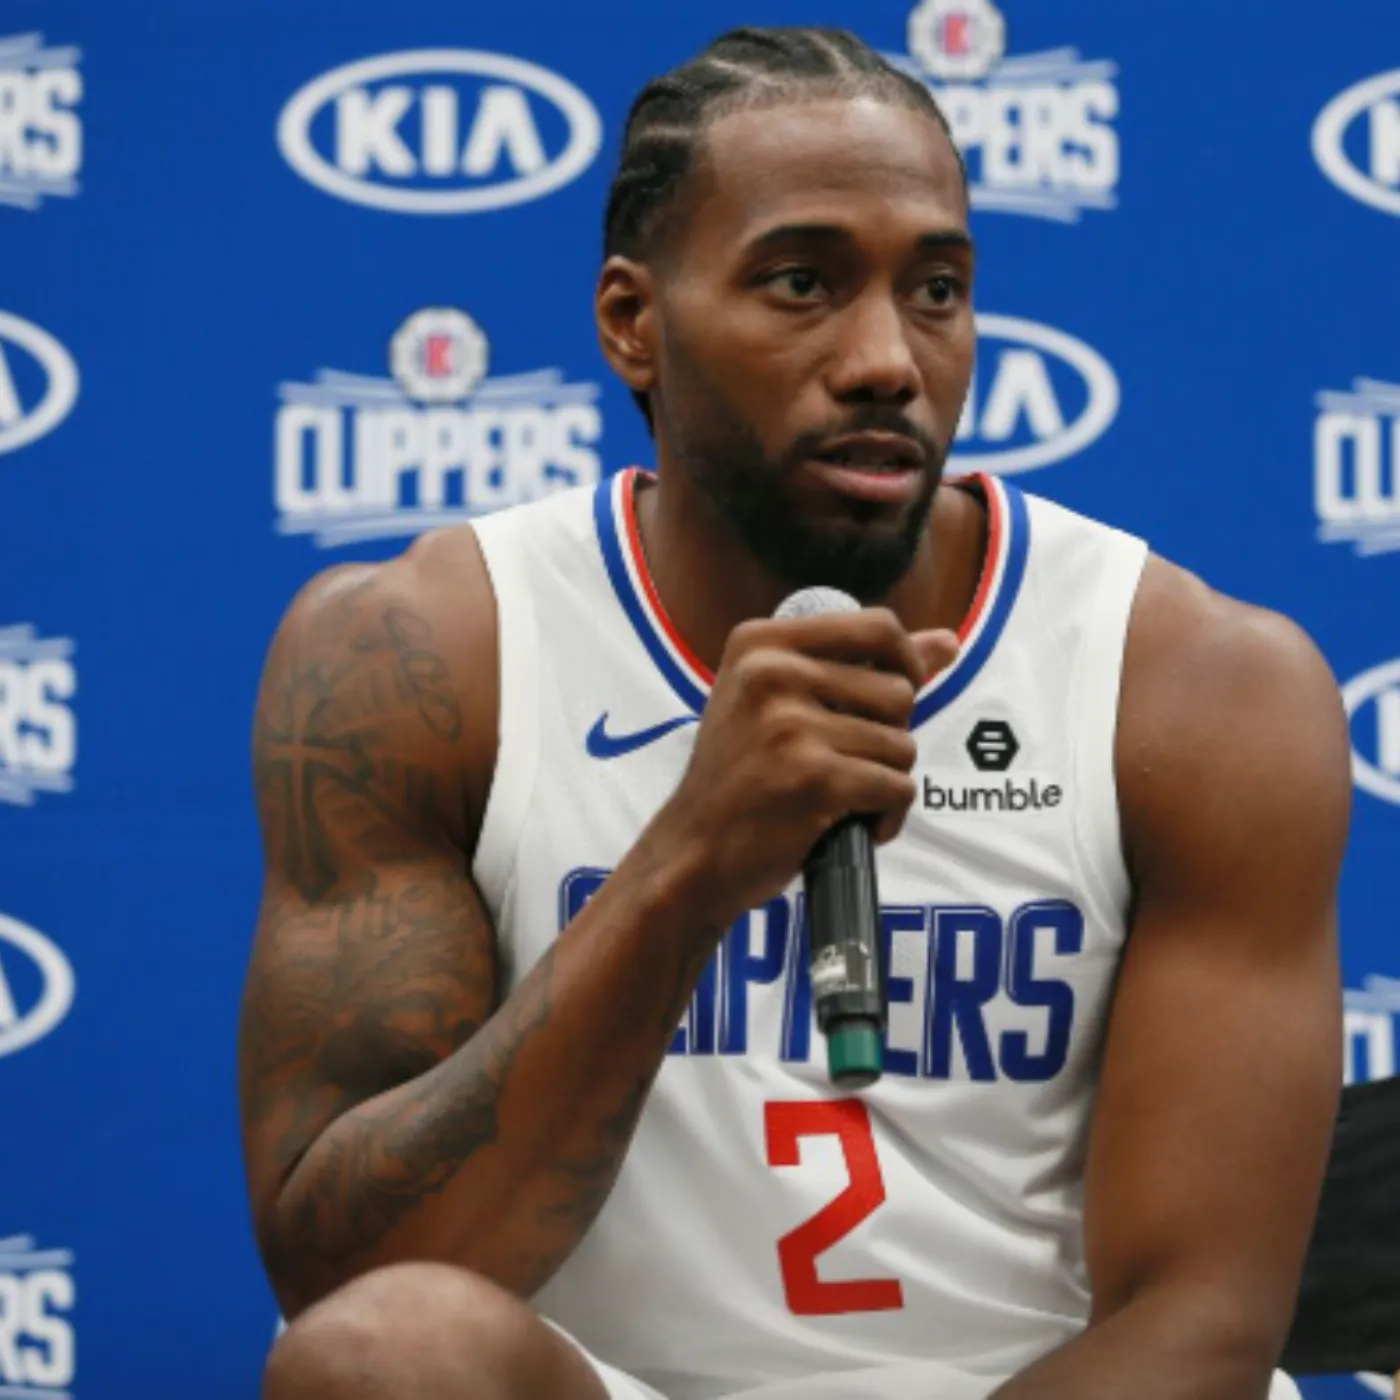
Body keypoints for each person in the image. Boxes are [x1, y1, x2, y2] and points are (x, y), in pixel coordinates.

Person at [240, 26, 1352, 1400]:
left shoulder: (1194, 685)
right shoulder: (424, 655)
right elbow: (345, 1272)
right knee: (381, 1357)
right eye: (803, 284)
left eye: (935, 290)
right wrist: (691, 863)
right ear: (632, 322)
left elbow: (1199, 1323)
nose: (887, 358)